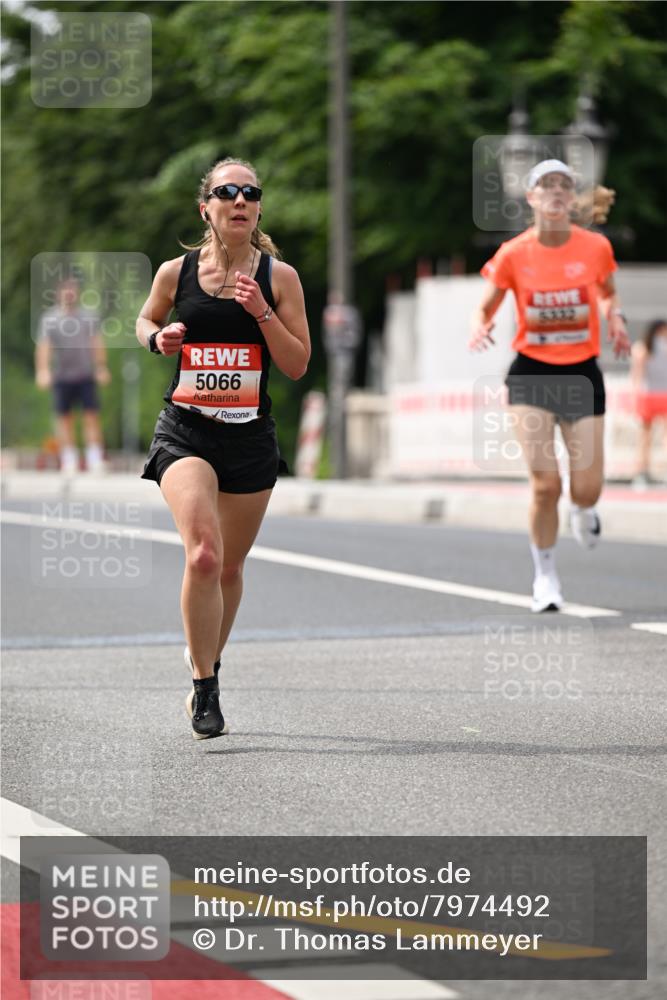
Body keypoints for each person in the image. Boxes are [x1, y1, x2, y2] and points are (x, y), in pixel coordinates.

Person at [136, 157, 310, 740]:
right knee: (204, 555)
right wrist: (159, 338)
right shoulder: (175, 272)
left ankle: (203, 663)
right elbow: (144, 320)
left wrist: (261, 311)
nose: (240, 200)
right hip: (186, 429)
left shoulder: (279, 278)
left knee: (230, 566)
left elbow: (296, 363)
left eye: (250, 192)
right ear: (205, 206)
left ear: (258, 206)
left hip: (249, 435)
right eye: (226, 192)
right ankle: (206, 687)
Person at [470, 159, 631, 612]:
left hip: (582, 372)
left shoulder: (595, 247)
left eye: (565, 185)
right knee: (545, 485)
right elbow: (484, 306)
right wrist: (479, 327)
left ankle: (585, 509)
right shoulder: (514, 253)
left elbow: (607, 290)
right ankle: (545, 578)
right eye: (547, 185)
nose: (557, 192)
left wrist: (613, 317)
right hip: (532, 373)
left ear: (571, 198)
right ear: (533, 198)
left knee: (586, 488)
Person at [35, 277, 110, 473]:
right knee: (63, 419)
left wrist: (101, 367)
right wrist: (43, 371)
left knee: (91, 417)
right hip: (62, 375)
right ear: (59, 293)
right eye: (65, 290)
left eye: (72, 289)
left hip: (85, 374)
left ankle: (95, 459)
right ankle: (69, 459)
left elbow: (97, 343)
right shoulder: (50, 319)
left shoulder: (88, 317)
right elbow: (44, 347)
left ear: (77, 293)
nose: (69, 293)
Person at [630, 319, 667, 487]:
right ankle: (643, 470)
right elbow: (637, 375)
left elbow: (636, 376)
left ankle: (643, 470)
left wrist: (635, 394)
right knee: (648, 436)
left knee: (647, 436)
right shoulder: (644, 348)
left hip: (652, 396)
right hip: (654, 396)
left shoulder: (641, 348)